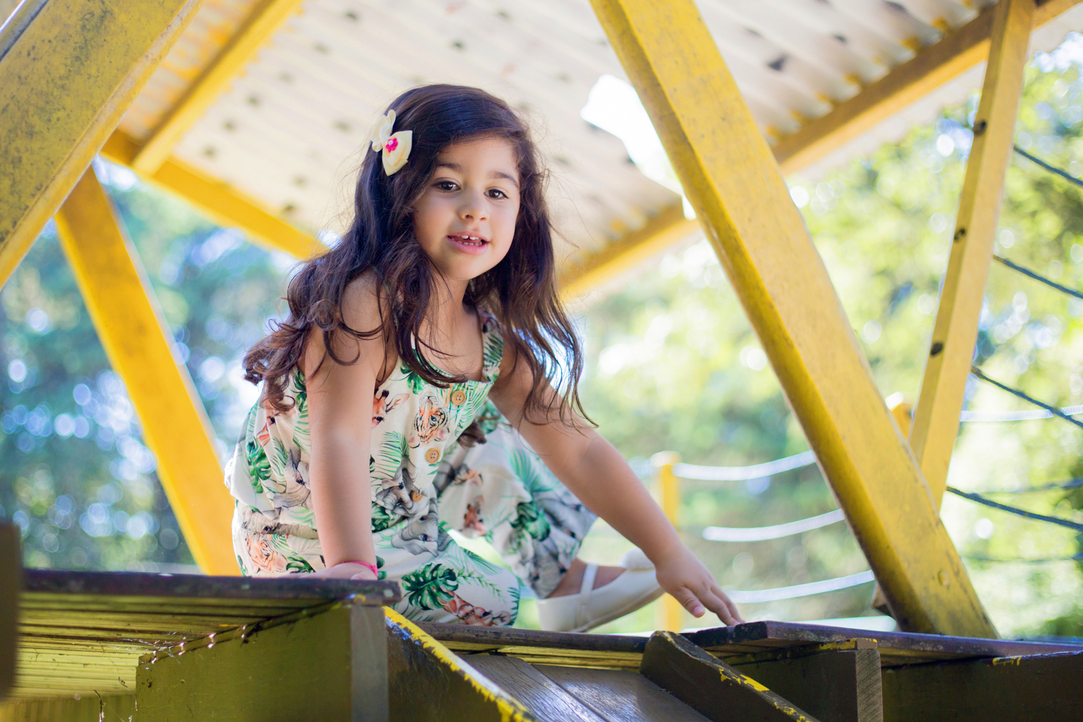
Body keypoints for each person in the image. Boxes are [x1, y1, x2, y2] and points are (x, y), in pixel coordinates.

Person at [225, 84, 743, 631]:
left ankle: (564, 582)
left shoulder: (491, 344)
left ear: (523, 210)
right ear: (399, 195)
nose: (475, 210)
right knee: (492, 605)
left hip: (393, 517)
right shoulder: (365, 298)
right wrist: (354, 570)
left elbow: (581, 451)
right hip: (303, 535)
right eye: (448, 185)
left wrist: (668, 551)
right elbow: (341, 441)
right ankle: (364, 583)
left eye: (498, 193)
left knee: (497, 429)